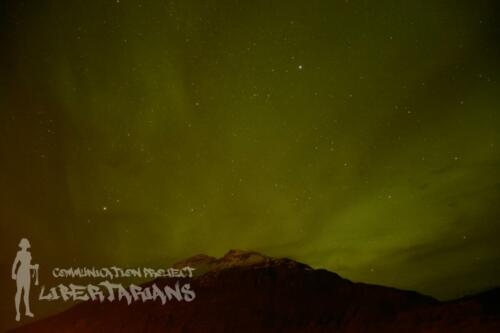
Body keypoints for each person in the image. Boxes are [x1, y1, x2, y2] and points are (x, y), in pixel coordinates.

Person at [11, 238, 38, 322]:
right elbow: (15, 263)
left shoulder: (29, 254)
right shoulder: (19, 253)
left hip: (27, 274)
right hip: (21, 273)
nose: (25, 246)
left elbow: (28, 265)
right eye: (24, 244)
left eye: (26, 244)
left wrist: (34, 267)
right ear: (22, 245)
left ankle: (27, 311)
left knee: (26, 293)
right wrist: (13, 273)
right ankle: (18, 313)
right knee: (19, 291)